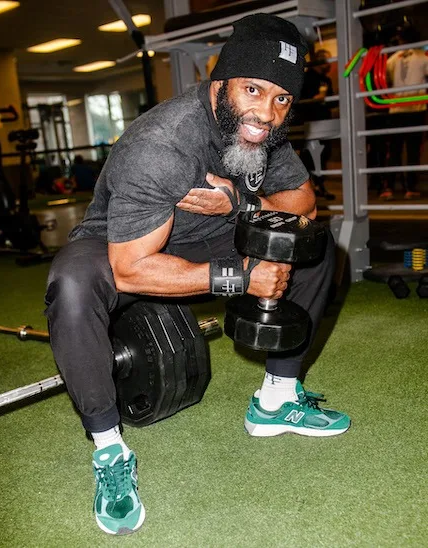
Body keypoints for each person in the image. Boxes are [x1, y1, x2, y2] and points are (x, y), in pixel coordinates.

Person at [44, 14, 350, 536]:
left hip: (203, 232)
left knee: (315, 249)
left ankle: (277, 397)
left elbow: (302, 206)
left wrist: (239, 199)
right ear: (220, 81)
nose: (267, 111)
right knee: (73, 286)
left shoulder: (262, 129)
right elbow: (130, 268)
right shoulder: (163, 144)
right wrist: (242, 278)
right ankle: (109, 448)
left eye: (281, 99)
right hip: (122, 241)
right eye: (253, 89)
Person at [380, 27, 428, 200]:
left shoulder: (392, 58)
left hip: (396, 109)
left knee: (394, 150)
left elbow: (386, 80)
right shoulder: (424, 57)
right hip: (416, 109)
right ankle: (411, 188)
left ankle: (388, 188)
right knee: (413, 150)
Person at [297, 48, 336, 200]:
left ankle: (318, 185)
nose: (327, 65)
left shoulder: (326, 80)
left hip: (324, 121)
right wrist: (315, 99)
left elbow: (331, 102)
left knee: (323, 154)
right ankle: (312, 186)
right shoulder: (307, 78)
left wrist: (326, 100)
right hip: (310, 122)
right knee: (310, 156)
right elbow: (300, 100)